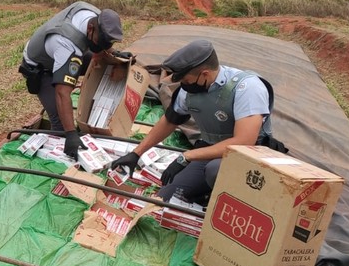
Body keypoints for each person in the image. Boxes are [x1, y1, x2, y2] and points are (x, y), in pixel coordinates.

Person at [110, 39, 285, 204]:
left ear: (205, 74)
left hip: (248, 157)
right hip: (211, 151)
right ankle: (206, 195)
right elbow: (170, 120)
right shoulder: (189, 91)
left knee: (214, 171)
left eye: (186, 80)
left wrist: (186, 156)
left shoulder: (247, 89)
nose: (184, 85)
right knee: (166, 198)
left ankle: (230, 203)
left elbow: (244, 142)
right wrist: (136, 153)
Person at [18, 1, 127, 158]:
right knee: (60, 121)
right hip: (41, 68)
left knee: (106, 61)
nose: (105, 46)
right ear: (90, 29)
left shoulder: (95, 16)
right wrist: (70, 134)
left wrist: (114, 52)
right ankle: (61, 152)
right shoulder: (67, 45)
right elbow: (62, 93)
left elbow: (102, 41)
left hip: (63, 51)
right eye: (102, 41)